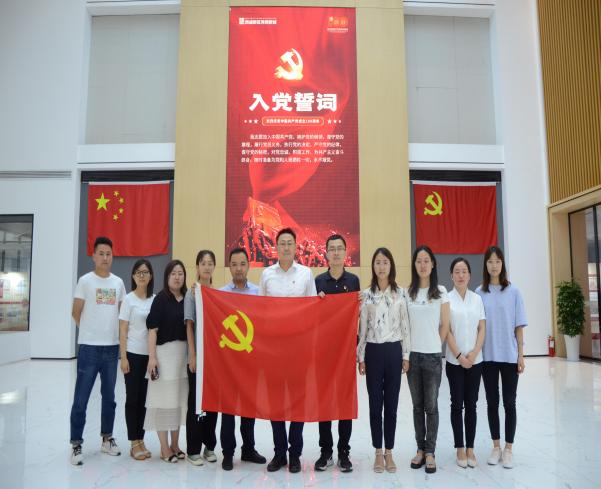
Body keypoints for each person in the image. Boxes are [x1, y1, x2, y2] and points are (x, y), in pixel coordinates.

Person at [259, 227, 317, 474]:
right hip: (273, 349)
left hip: (298, 348)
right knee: (275, 402)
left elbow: (313, 310)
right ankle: (279, 452)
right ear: (276, 247)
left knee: (297, 401)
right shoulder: (266, 275)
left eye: (289, 243)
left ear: (295, 247)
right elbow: (260, 311)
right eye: (281, 243)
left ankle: (295, 454)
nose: (285, 247)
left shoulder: (306, 273)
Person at [69, 236, 126, 466]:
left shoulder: (118, 283)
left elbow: (122, 317)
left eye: (108, 254)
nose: (105, 257)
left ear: (112, 257)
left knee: (110, 398)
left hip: (111, 349)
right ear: (93, 256)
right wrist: (89, 332)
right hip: (89, 349)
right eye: (101, 253)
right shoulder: (85, 281)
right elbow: (76, 312)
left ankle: (107, 438)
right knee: (81, 399)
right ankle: (76, 443)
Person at [358, 247, 411, 474]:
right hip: (373, 352)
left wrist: (406, 355)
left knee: (391, 405)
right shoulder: (366, 295)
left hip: (393, 351)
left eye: (385, 262)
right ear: (373, 266)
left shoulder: (400, 293)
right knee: (374, 405)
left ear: (391, 266)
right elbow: (362, 329)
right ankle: (377, 452)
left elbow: (405, 326)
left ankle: (389, 451)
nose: (381, 266)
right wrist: (361, 357)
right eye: (378, 262)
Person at [476, 246, 527, 469]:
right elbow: (477, 327)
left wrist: (521, 355)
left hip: (509, 355)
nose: (494, 265)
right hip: (488, 356)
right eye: (490, 261)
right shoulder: (479, 293)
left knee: (509, 402)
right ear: (485, 265)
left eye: (497, 261)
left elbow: (519, 326)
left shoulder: (514, 292)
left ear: (502, 264)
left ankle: (508, 449)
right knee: (491, 402)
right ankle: (495, 446)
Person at [313, 234, 360, 473]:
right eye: (331, 249)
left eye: (340, 248)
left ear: (345, 252)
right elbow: (311, 316)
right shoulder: (318, 281)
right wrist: (316, 302)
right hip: (323, 352)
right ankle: (326, 452)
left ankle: (344, 452)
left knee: (343, 402)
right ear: (326, 253)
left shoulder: (353, 281)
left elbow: (356, 316)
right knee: (324, 402)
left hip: (345, 353)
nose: (336, 252)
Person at [218, 247, 267, 470]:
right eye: (234, 264)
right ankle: (228, 453)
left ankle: (248, 449)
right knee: (228, 409)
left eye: (242, 264)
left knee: (249, 408)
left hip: (250, 362)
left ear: (248, 266)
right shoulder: (220, 295)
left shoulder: (258, 293)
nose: (238, 268)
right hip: (228, 363)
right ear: (229, 267)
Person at [405, 245, 450, 474]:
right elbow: (405, 326)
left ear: (433, 264)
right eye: (418, 261)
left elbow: (445, 325)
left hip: (432, 357)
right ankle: (420, 449)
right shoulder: (408, 293)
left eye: (426, 261)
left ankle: (430, 451)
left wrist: (435, 346)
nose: (422, 265)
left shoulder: (441, 292)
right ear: (414, 265)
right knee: (417, 406)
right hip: (412, 357)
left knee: (431, 407)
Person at [444, 257, 486, 468]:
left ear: (469, 275)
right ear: (451, 275)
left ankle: (470, 448)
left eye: (464, 271)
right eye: (457, 272)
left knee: (472, 405)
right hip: (454, 361)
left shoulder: (477, 299)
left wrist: (475, 352)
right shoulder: (447, 299)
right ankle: (459, 447)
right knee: (456, 404)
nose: (461, 275)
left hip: (476, 361)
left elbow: (482, 328)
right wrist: (460, 356)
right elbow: (446, 331)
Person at [145, 260, 188, 463]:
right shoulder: (160, 299)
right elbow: (152, 330)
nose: (177, 277)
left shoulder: (187, 298)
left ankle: (175, 445)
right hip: (164, 357)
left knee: (178, 402)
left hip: (182, 358)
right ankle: (164, 448)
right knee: (163, 403)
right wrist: (152, 357)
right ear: (167, 277)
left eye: (180, 273)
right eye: (173, 273)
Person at [183, 250, 218, 465]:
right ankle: (193, 449)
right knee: (196, 403)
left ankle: (209, 446)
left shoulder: (217, 294)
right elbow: (189, 325)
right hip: (198, 358)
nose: (206, 266)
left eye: (210, 263)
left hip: (215, 360)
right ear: (197, 267)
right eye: (203, 263)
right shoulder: (192, 293)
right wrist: (193, 355)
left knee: (212, 404)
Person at [118, 259, 155, 460]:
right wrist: (123, 357)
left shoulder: (154, 299)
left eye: (145, 272)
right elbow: (122, 330)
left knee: (144, 401)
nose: (142, 275)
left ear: (151, 276)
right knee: (132, 399)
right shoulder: (128, 300)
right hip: (132, 355)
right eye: (138, 272)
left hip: (149, 358)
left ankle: (141, 439)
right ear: (133, 276)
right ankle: (134, 442)